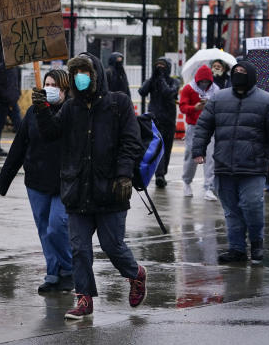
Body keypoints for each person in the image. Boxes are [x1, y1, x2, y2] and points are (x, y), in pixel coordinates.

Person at [32, 53, 147, 320]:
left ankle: (136, 274)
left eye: (85, 72)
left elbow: (132, 142)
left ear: (96, 74)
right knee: (79, 249)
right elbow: (51, 134)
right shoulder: (70, 107)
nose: (80, 77)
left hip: (110, 190)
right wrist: (41, 111)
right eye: (76, 73)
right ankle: (84, 299)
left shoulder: (118, 103)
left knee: (112, 245)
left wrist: (123, 175)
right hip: (77, 190)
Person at [192, 60, 269, 264]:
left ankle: (256, 244)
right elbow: (203, 126)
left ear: (251, 76)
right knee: (231, 210)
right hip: (225, 165)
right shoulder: (219, 99)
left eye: (243, 72)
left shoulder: (268, 100)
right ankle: (237, 249)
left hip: (253, 166)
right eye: (236, 71)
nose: (239, 75)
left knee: (252, 205)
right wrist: (198, 150)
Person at [0, 68, 73, 293]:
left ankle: (69, 269)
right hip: (36, 181)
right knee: (43, 230)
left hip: (63, 182)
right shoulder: (32, 112)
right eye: (46, 84)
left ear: (65, 90)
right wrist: (4, 181)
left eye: (55, 86)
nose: (49, 88)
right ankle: (53, 272)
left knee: (56, 226)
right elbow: (19, 146)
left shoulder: (70, 112)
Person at [138, 57, 179, 189]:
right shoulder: (153, 81)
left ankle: (163, 173)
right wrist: (153, 77)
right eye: (158, 66)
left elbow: (168, 93)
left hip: (169, 119)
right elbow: (142, 91)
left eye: (163, 66)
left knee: (167, 148)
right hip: (155, 119)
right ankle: (159, 174)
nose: (160, 68)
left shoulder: (174, 81)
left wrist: (161, 79)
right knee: (158, 146)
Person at [179, 65, 219, 200]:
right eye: (202, 82)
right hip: (193, 127)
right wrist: (194, 108)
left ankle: (209, 187)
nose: (204, 84)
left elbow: (220, 106)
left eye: (207, 82)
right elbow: (183, 107)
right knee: (191, 155)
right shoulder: (188, 88)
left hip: (210, 127)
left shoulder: (215, 90)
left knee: (210, 156)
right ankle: (187, 182)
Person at [0, 55, 22, 157]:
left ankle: (22, 146)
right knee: (0, 124)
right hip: (3, 102)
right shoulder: (0, 68)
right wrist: (0, 99)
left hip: (12, 101)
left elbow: (17, 83)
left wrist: (17, 95)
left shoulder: (16, 68)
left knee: (19, 125)